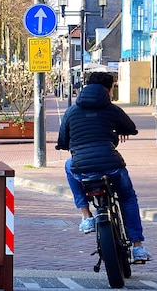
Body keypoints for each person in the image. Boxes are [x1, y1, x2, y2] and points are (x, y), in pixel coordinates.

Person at [55, 70, 150, 263]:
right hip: (112, 165)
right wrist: (119, 130)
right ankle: (138, 247)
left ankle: (86, 216)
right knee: (128, 198)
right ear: (108, 89)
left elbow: (62, 141)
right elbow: (131, 128)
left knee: (68, 166)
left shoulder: (71, 111)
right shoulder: (111, 109)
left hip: (81, 166)